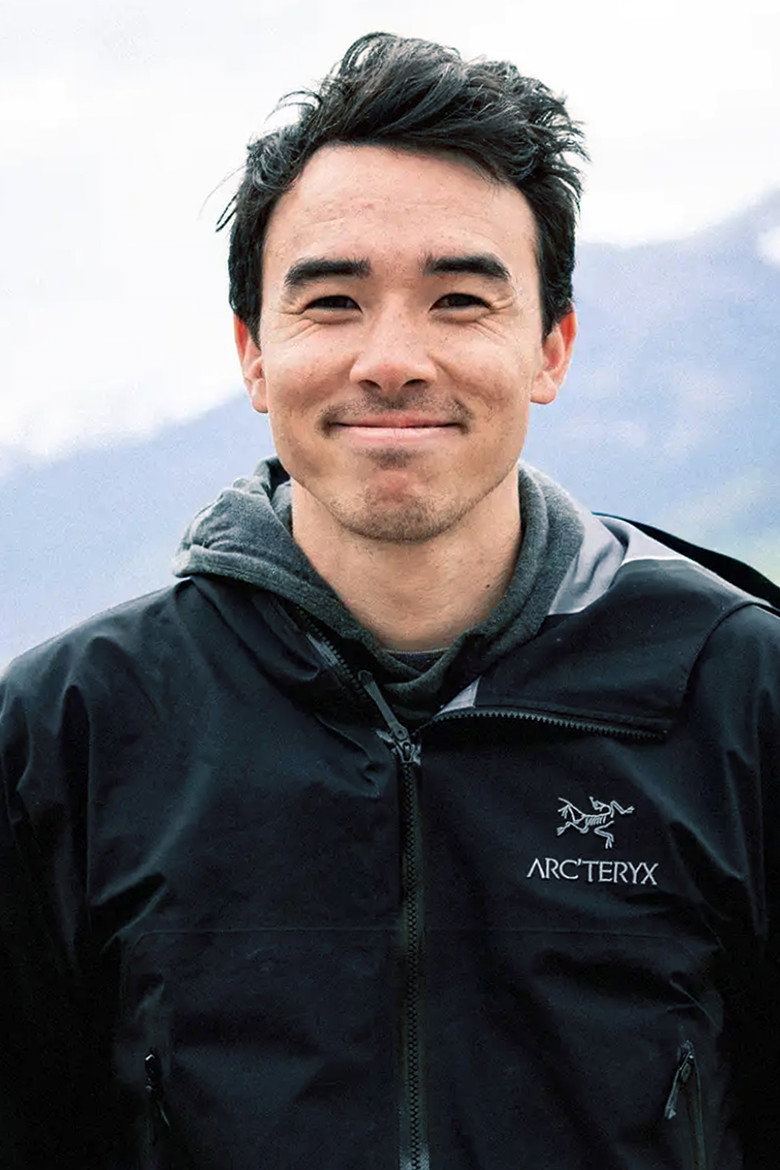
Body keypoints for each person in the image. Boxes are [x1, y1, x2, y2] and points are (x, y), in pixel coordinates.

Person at [1, 31, 779, 1170]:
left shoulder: (740, 695)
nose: (393, 359)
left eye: (459, 299)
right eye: (332, 301)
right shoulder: (69, 734)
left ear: (551, 349)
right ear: (253, 352)